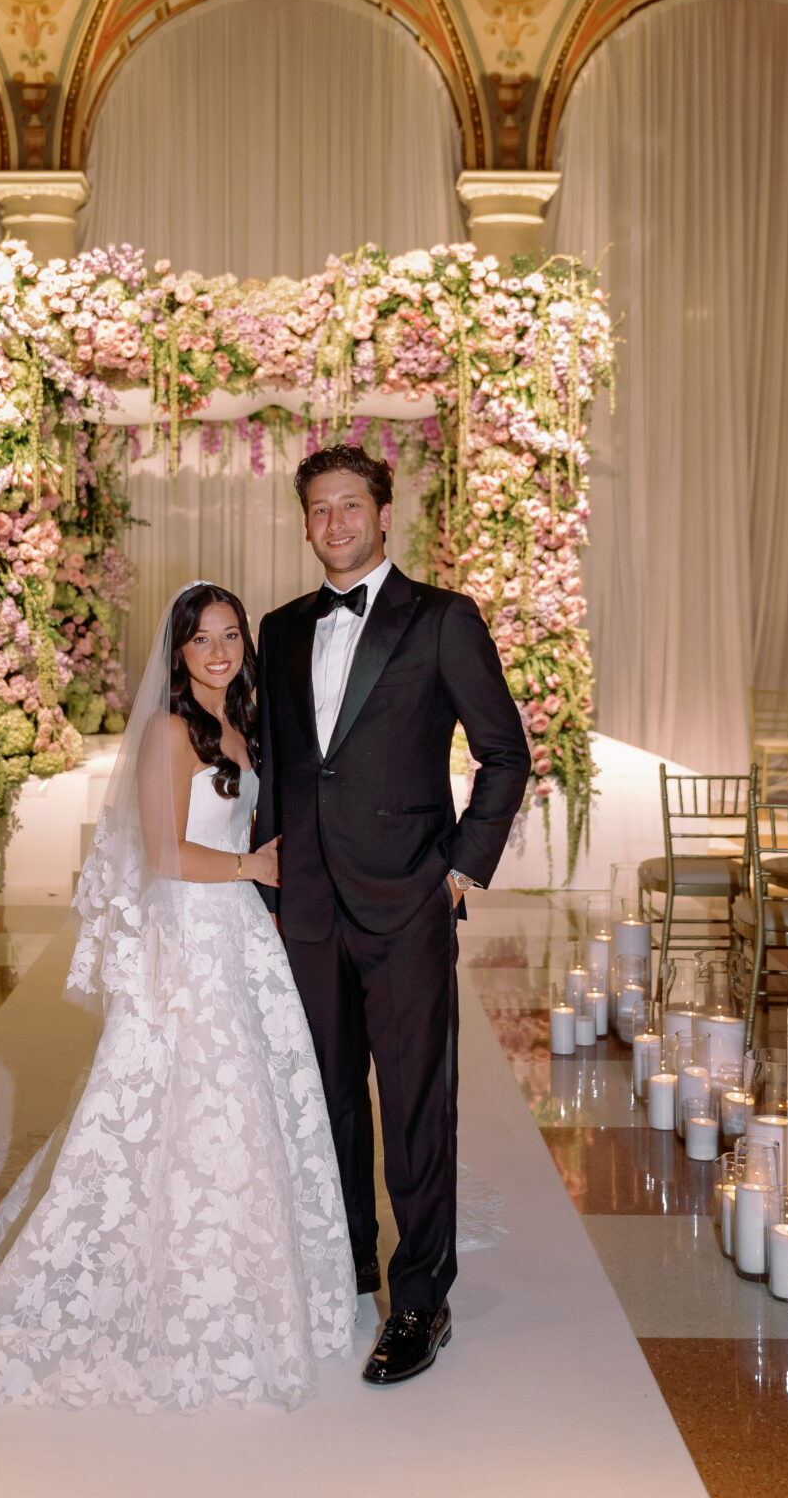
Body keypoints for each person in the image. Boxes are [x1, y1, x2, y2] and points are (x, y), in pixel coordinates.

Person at [0, 582, 354, 1412]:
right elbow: (166, 857)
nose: (218, 650)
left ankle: (237, 1264)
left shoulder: (239, 726)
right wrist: (250, 868)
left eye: (231, 635)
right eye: (201, 637)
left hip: (235, 931)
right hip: (188, 935)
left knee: (246, 1102)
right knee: (192, 1094)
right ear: (176, 650)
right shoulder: (170, 733)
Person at [254, 446, 530, 1385]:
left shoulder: (443, 620)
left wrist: (457, 872)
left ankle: (419, 1299)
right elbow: (282, 770)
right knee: (325, 1097)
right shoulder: (282, 628)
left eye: (350, 506)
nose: (334, 524)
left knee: (415, 1105)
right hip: (308, 909)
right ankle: (347, 1265)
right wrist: (266, 889)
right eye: (318, 509)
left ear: (382, 516)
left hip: (408, 898)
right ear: (304, 523)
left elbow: (505, 755)